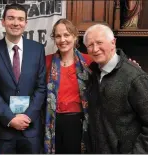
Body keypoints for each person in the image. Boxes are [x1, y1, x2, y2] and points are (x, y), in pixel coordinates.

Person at [83, 24, 148, 153]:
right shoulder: (92, 74)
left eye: (99, 42)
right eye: (90, 45)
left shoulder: (135, 77)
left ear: (113, 43)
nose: (95, 49)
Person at [0, 3, 46, 154]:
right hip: (4, 130)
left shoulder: (38, 49)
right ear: (3, 22)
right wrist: (10, 119)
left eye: (20, 19)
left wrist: (28, 116)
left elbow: (41, 87)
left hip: (31, 129)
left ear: (25, 23)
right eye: (11, 18)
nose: (16, 23)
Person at [44, 19, 93, 154]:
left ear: (75, 36)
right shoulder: (46, 61)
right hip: (52, 121)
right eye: (58, 36)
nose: (62, 40)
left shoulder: (89, 61)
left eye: (66, 35)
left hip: (77, 122)